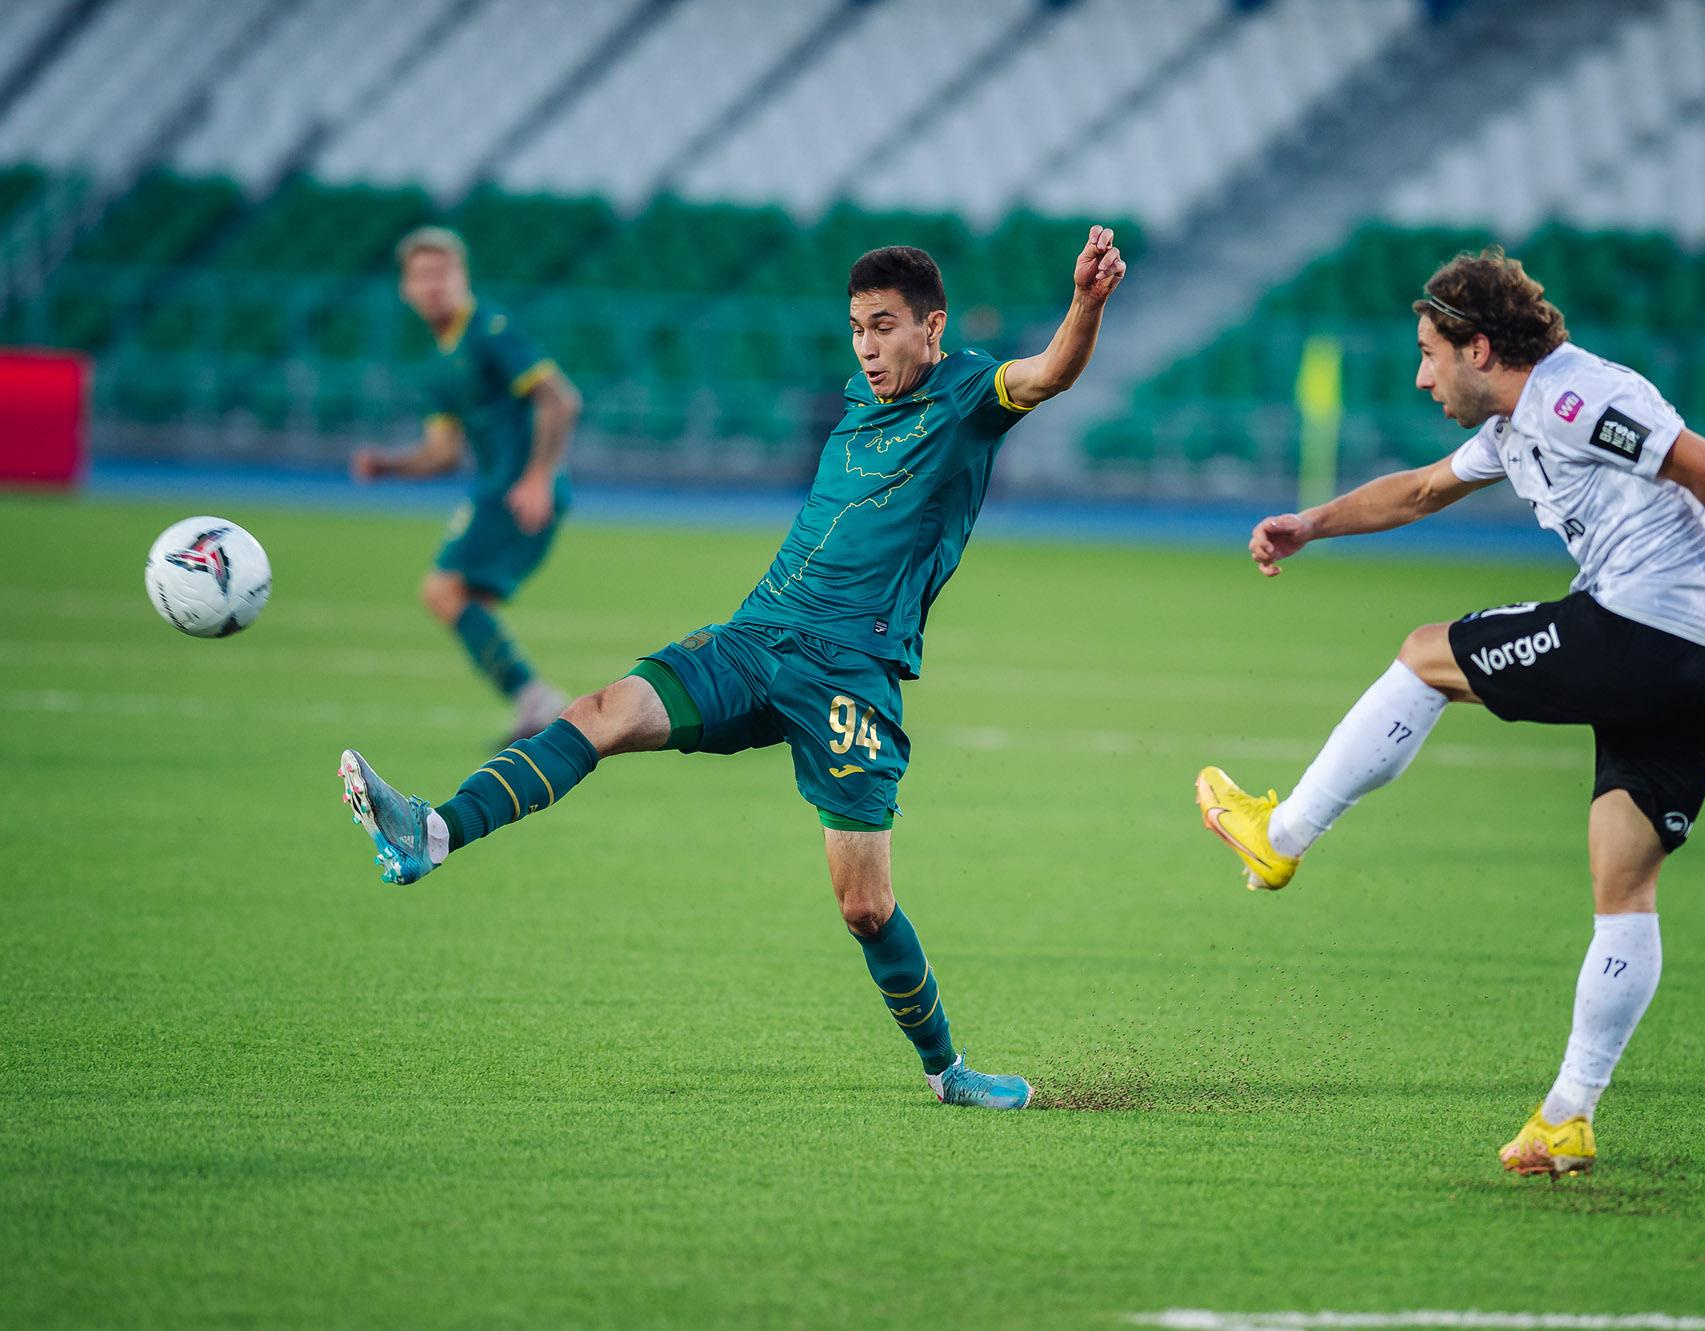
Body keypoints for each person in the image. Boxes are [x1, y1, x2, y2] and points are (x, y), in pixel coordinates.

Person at [338, 229, 1128, 1109]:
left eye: (885, 327)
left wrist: (1085, 305)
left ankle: (948, 1072)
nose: (867, 347)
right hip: (756, 638)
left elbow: (1049, 371)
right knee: (601, 710)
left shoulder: (966, 393)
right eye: (857, 329)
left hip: (850, 675)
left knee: (864, 907)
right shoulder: (861, 399)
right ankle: (431, 832)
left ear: (932, 328)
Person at [1194, 248, 1705, 1176]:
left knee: (1428, 653)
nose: (1421, 376)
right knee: (1624, 885)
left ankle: (1283, 834)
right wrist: (1311, 523)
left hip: (1642, 628)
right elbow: (1420, 491)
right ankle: (1567, 1117)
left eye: (1430, 353)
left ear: (1481, 345)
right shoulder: (1514, 424)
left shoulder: (1570, 400)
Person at [352, 227, 580, 743]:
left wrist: (539, 476)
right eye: (421, 276)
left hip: (516, 490)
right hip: (496, 487)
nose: (433, 286)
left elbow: (561, 399)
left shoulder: (491, 331)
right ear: (406, 289)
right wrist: (387, 466)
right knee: (463, 600)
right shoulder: (437, 363)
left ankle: (537, 699)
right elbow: (444, 453)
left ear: (463, 277)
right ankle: (535, 703)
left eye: (442, 273)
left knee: (442, 591)